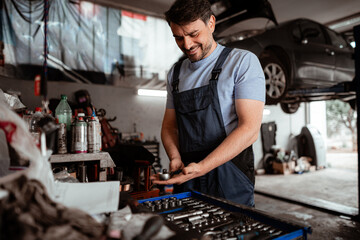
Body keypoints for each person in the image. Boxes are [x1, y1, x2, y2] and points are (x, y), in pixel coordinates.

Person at [152, 0, 265, 207]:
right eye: (178, 37)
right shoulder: (175, 73)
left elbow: (250, 129)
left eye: (194, 34)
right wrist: (175, 157)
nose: (187, 45)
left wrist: (203, 167)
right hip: (187, 175)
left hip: (231, 175)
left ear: (211, 23)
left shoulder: (242, 62)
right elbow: (169, 126)